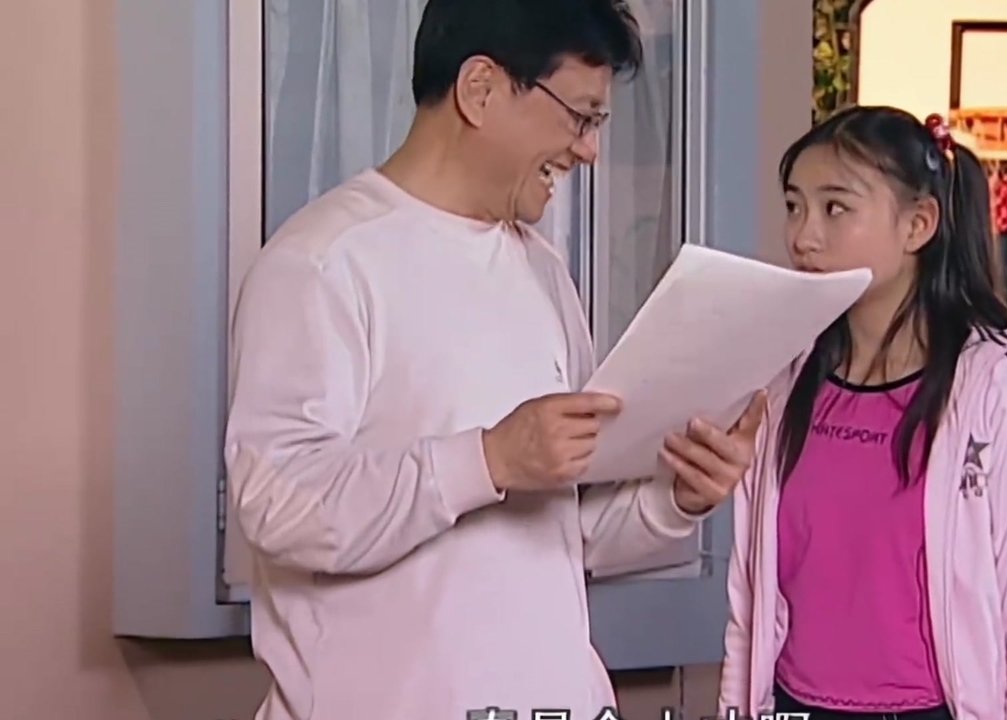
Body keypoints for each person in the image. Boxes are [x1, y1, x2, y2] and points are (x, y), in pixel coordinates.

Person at [223, 1, 764, 719]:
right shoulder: (323, 263)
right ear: (480, 89)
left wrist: (677, 498)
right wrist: (487, 460)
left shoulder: (541, 270)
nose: (590, 151)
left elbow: (563, 530)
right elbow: (280, 505)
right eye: (581, 117)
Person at [716, 106, 1007, 720]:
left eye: (835, 208)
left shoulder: (994, 404)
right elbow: (749, 610)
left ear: (919, 225)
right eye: (794, 206)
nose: (803, 236)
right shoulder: (778, 391)